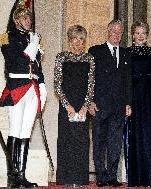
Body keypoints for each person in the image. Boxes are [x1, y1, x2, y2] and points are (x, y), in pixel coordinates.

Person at [0, 2, 47, 188]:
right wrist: (33, 44)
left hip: (32, 87)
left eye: (30, 18)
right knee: (15, 131)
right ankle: (12, 178)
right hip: (17, 87)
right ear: (16, 19)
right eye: (25, 18)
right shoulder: (5, 37)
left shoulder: (32, 39)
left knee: (26, 132)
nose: (29, 21)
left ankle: (22, 175)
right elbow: (15, 61)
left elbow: (38, 66)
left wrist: (42, 85)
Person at [88, 20, 132, 187]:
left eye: (119, 32)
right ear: (107, 31)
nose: (116, 34)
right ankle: (101, 176)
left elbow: (128, 81)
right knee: (99, 142)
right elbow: (89, 79)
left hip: (119, 106)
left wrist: (128, 103)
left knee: (115, 143)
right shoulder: (95, 51)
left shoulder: (126, 53)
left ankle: (112, 176)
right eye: (113, 31)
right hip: (99, 105)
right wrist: (90, 101)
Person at [124, 21, 151, 187]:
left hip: (149, 97)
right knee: (133, 136)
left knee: (150, 136)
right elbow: (124, 78)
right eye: (137, 33)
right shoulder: (126, 52)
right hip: (132, 97)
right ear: (133, 35)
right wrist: (126, 101)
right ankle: (135, 179)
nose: (140, 36)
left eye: (143, 33)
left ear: (147, 35)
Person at [54, 25, 95, 187]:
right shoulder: (61, 57)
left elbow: (91, 84)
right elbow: (57, 85)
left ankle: (80, 179)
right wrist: (68, 106)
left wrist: (85, 107)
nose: (78, 42)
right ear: (69, 39)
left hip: (83, 105)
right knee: (67, 140)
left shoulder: (89, 58)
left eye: (81, 39)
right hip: (66, 105)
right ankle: (66, 179)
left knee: (82, 141)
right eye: (74, 38)